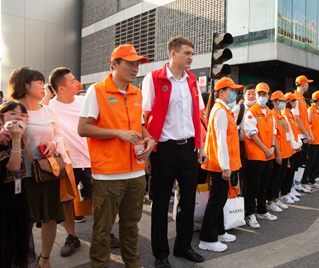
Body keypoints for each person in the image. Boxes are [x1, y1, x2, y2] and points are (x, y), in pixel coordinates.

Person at [78, 44, 156, 268]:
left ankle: (134, 264)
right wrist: (117, 133)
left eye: (137, 64)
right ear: (114, 64)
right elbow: (83, 128)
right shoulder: (97, 90)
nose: (135, 68)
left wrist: (149, 139)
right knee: (102, 230)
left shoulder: (137, 93)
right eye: (130, 63)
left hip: (136, 173)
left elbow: (141, 127)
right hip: (108, 175)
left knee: (131, 228)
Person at [142, 36, 206, 267]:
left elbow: (198, 116)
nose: (191, 57)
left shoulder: (192, 80)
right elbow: (145, 117)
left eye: (192, 53)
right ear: (173, 54)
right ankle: (161, 255)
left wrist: (201, 145)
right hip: (164, 149)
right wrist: (148, 153)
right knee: (160, 203)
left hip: (188, 148)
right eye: (187, 53)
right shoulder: (154, 78)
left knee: (187, 201)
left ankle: (183, 246)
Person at [9, 66, 68, 268]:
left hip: (48, 172)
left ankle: (45, 259)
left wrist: (53, 144)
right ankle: (22, 260)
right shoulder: (13, 110)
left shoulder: (49, 110)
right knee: (23, 222)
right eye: (40, 83)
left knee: (50, 218)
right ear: (25, 84)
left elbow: (60, 135)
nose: (44, 88)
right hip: (22, 176)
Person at [48, 67, 95, 257]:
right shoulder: (50, 107)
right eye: (72, 81)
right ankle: (71, 236)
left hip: (91, 159)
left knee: (99, 200)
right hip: (66, 162)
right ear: (60, 88)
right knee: (67, 201)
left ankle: (104, 233)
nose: (77, 84)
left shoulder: (84, 102)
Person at [198, 78, 243, 252]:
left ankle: (218, 231)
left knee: (220, 199)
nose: (235, 93)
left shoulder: (223, 110)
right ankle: (207, 239)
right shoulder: (220, 111)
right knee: (216, 201)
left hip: (222, 163)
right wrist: (225, 166)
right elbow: (221, 141)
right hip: (220, 164)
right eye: (232, 90)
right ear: (222, 92)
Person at [243, 82, 277, 229]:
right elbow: (252, 134)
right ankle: (250, 213)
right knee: (253, 187)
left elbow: (274, 133)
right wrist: (266, 149)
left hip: (268, 155)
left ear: (268, 96)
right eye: (259, 94)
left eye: (264, 94)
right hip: (256, 156)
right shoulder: (251, 112)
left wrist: (273, 148)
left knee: (264, 185)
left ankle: (262, 210)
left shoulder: (270, 113)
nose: (261, 97)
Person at [0, 101, 30, 268]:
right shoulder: (9, 139)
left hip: (18, 197)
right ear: (1, 117)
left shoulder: (18, 137)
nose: (18, 117)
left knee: (19, 241)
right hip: (3, 200)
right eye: (12, 113)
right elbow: (12, 167)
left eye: (22, 114)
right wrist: (17, 140)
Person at [266, 91, 301, 213]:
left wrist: (295, 145)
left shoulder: (283, 116)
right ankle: (270, 201)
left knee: (281, 177)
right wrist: (278, 154)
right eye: (281, 101)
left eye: (284, 100)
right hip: (278, 153)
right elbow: (274, 137)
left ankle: (276, 198)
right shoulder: (272, 116)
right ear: (275, 102)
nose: (283, 103)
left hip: (286, 152)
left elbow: (288, 134)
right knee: (274, 178)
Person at [232, 84, 256, 194]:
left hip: (256, 145)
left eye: (253, 94)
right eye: (248, 94)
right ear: (244, 95)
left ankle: (251, 197)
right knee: (243, 173)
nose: (251, 96)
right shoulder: (239, 109)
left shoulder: (260, 109)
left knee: (254, 173)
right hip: (242, 145)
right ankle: (243, 198)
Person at [292, 76, 314, 193]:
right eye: (307, 83)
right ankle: (294, 185)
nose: (308, 85)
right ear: (301, 84)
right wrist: (306, 133)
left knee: (302, 161)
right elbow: (297, 118)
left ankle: (298, 183)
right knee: (297, 162)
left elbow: (305, 119)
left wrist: (309, 133)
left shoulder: (302, 99)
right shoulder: (295, 98)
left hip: (303, 134)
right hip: (298, 135)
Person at [304, 91, 319, 189]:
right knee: (310, 161)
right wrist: (310, 135)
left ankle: (312, 179)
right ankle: (306, 180)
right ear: (318, 99)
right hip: (313, 141)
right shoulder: (310, 111)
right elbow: (307, 124)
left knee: (317, 161)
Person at [281, 92, 302, 199]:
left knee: (291, 171)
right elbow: (287, 133)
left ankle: (289, 190)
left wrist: (298, 143)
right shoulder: (285, 114)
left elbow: (294, 132)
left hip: (293, 148)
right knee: (287, 172)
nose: (296, 103)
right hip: (288, 148)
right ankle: (284, 193)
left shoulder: (290, 114)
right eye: (295, 101)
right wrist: (295, 145)